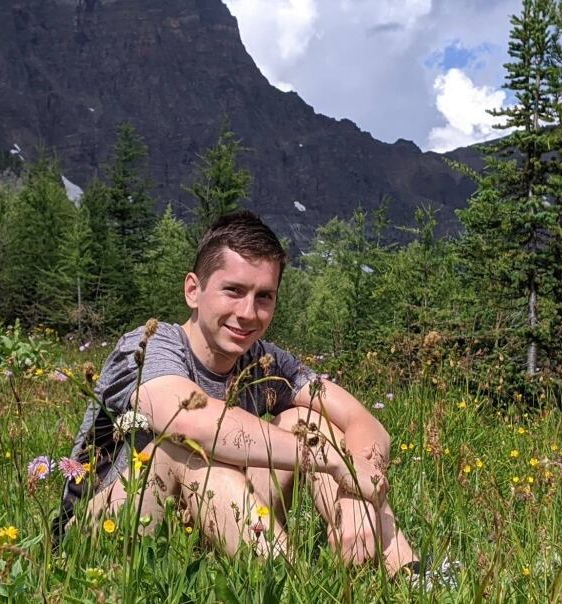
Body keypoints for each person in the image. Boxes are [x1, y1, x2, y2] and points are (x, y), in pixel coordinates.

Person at [57, 211, 421, 578]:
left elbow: (364, 421)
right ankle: (293, 588)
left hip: (205, 527)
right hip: (97, 539)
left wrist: (358, 489)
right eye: (233, 290)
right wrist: (329, 459)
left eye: (264, 296)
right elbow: (190, 421)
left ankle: (406, 579)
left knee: (305, 421)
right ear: (193, 290)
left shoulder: (266, 362)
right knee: (179, 449)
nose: (248, 313)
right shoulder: (147, 346)